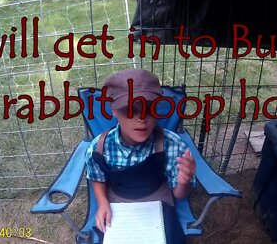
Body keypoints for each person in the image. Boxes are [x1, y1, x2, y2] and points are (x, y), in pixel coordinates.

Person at [84, 68, 196, 243]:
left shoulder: (172, 145)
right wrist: (102, 202)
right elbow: (97, 177)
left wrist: (184, 181)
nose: (142, 118)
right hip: (117, 204)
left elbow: (180, 194)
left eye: (149, 109)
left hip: (158, 202)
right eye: (131, 110)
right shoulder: (100, 148)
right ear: (114, 110)